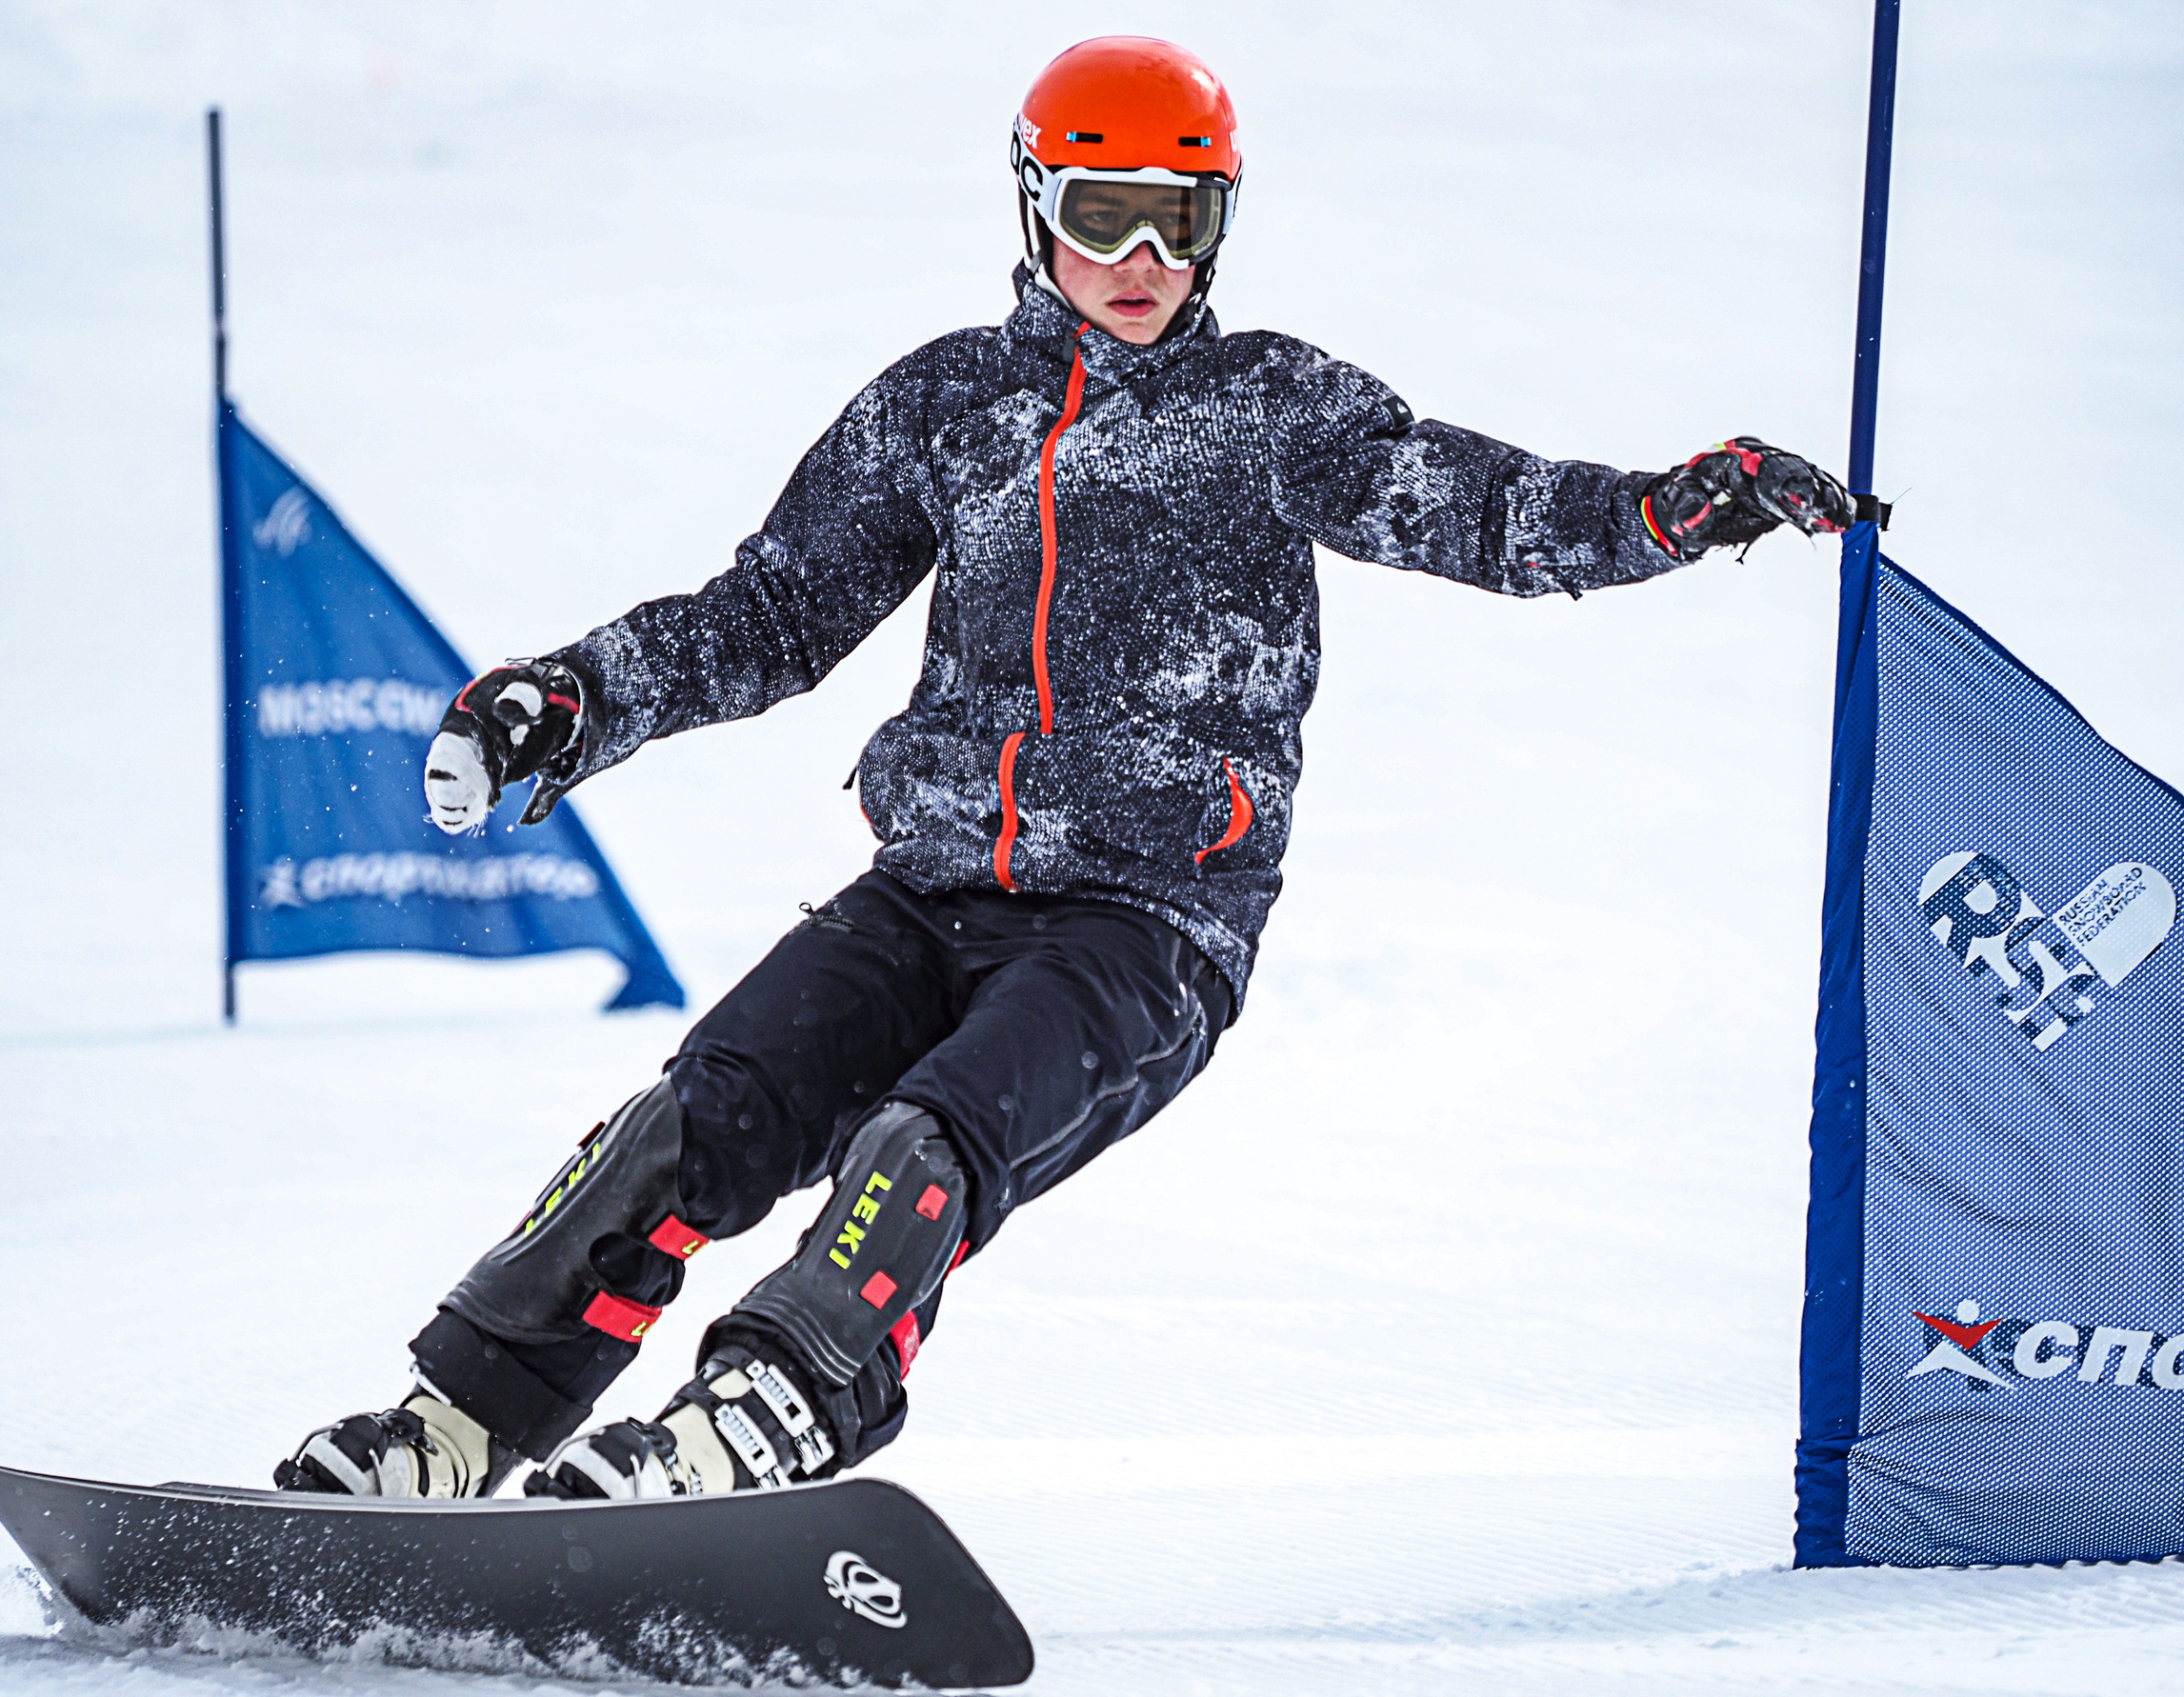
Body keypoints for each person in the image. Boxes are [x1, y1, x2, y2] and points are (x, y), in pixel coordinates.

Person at [276, 36, 1850, 1505]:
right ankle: (455, 1426)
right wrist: (573, 699)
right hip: (931, 887)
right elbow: (771, 614)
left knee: (924, 1141)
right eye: (1106, 218)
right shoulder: (949, 406)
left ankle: (758, 1412)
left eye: (1180, 222)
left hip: (1146, 924)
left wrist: (1669, 510)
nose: (1142, 265)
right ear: (1037, 208)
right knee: (698, 1117)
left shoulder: (1269, 409)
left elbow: (1485, 512)